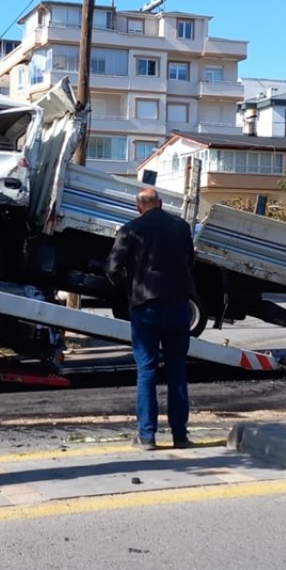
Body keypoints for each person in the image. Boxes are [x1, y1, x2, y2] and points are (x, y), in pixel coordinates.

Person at [105, 188, 195, 450]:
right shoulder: (181, 227)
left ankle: (147, 436)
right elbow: (190, 261)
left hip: (145, 306)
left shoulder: (130, 229)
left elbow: (112, 269)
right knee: (177, 370)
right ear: (161, 203)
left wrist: (131, 285)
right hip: (179, 305)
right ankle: (180, 436)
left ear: (138, 207)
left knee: (147, 371)